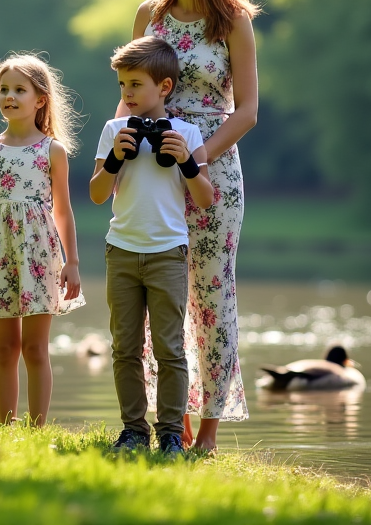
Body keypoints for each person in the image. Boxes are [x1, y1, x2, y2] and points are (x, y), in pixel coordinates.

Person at [127, 0, 260, 452]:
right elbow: (129, 93)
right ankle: (169, 420)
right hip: (151, 171)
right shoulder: (148, 17)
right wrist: (116, 154)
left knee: (212, 294)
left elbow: (247, 110)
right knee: (159, 293)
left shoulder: (233, 21)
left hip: (212, 170)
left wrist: (199, 155)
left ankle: (207, 432)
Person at [92, 36, 214, 457]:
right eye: (122, 85)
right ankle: (132, 430)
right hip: (121, 250)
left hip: (168, 254)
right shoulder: (113, 130)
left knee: (170, 348)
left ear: (163, 87)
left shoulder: (188, 132)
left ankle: (169, 434)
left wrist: (188, 161)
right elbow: (95, 194)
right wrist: (113, 159)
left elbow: (204, 198)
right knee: (124, 346)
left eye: (135, 84)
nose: (126, 93)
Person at [0, 54, 84, 427]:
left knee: (34, 349)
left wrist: (72, 261)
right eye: (3, 90)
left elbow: (63, 211)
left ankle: (37, 428)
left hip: (40, 255)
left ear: (40, 99)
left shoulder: (52, 150)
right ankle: (6, 425)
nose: (9, 96)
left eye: (19, 89)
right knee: (5, 348)